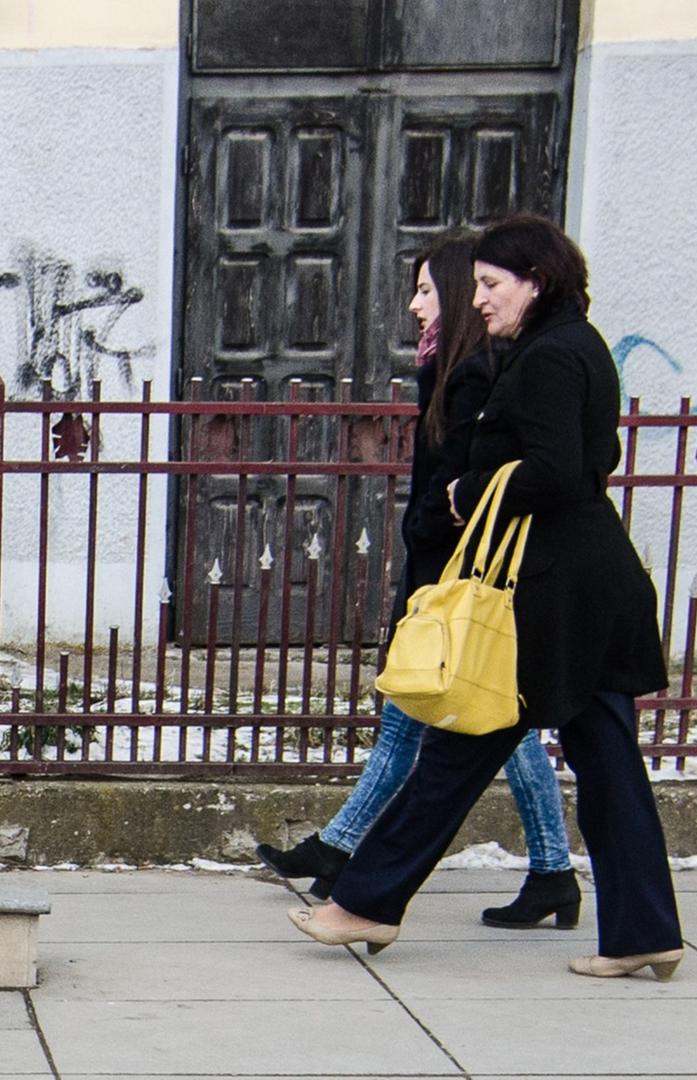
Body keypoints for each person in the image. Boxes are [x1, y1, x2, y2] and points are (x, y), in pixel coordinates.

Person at [288, 214, 683, 981]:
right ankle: (644, 929)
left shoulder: (544, 359)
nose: (485, 300)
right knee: (608, 763)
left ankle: (365, 900)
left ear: (537, 281)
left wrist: (471, 486)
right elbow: (598, 456)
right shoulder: (582, 348)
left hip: (548, 598)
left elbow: (560, 468)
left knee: (455, 750)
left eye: (494, 286)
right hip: (596, 585)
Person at [258, 232, 580, 929]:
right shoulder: (457, 367)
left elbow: (462, 483)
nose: (414, 306)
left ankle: (547, 868)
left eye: (428, 290)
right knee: (422, 713)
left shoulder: (472, 375)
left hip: (462, 580)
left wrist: (431, 539)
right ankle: (342, 848)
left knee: (487, 718)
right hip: (450, 575)